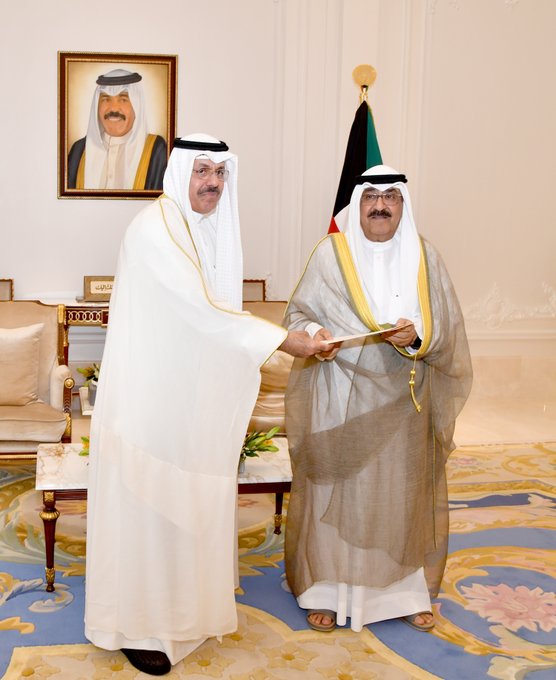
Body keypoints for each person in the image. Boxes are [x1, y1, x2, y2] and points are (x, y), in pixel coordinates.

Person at [84, 133, 329, 676]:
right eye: (202, 171)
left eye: (220, 173)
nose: (213, 183)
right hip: (150, 402)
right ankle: (138, 627)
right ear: (179, 173)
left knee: (183, 506)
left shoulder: (201, 229)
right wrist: (284, 340)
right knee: (149, 508)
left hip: (187, 399)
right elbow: (201, 311)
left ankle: (182, 613)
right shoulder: (155, 229)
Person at [283, 164, 472, 634]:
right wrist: (316, 333)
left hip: (403, 400)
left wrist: (417, 336)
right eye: (371, 197)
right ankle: (327, 591)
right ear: (358, 203)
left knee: (400, 495)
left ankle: (404, 593)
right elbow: (298, 315)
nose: (380, 206)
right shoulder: (331, 254)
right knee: (337, 490)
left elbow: (448, 326)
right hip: (339, 394)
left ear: (403, 205)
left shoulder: (426, 257)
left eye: (391, 197)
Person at [68, 69, 167, 190]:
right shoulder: (79, 150)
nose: (114, 108)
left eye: (123, 100)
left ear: (137, 106)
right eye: (106, 99)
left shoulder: (156, 150)